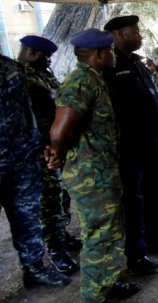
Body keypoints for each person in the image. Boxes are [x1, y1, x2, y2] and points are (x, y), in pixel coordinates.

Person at [50, 28, 140, 301]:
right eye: (110, 51)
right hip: (91, 174)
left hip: (103, 171)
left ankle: (107, 284)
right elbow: (59, 133)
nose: (113, 55)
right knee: (99, 236)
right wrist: (64, 153)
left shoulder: (94, 78)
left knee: (110, 232)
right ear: (100, 54)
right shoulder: (80, 82)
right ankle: (93, 296)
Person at [103, 15, 158, 276]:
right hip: (129, 147)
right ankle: (135, 254)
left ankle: (153, 239)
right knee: (133, 201)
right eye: (134, 32)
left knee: (153, 192)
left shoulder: (136, 63)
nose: (140, 36)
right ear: (118, 34)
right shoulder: (110, 65)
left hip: (151, 141)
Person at [0, 54, 71, 290]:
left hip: (23, 158)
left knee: (27, 217)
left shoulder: (10, 67)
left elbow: (27, 110)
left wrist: (43, 143)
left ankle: (34, 269)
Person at [17, 35, 81, 274]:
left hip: (54, 145)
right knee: (50, 200)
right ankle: (56, 251)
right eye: (46, 56)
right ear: (34, 54)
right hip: (38, 151)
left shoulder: (41, 74)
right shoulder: (19, 77)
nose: (49, 60)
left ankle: (62, 236)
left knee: (62, 195)